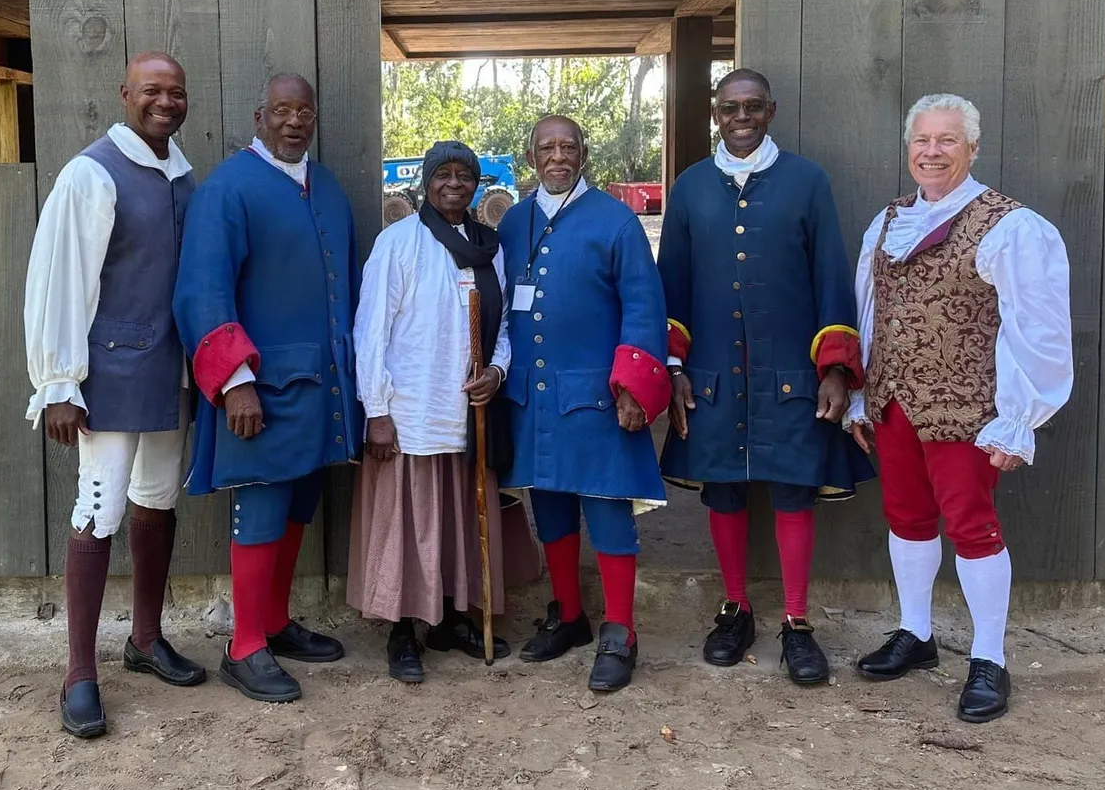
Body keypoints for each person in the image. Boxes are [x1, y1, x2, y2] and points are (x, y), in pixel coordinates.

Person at [847, 93, 1073, 723]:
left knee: (971, 526)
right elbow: (870, 311)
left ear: (973, 148)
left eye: (948, 140)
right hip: (894, 402)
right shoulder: (888, 221)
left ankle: (988, 658)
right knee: (907, 518)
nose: (933, 151)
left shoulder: (1009, 225)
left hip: (968, 407)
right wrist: (866, 389)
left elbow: (1040, 327)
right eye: (923, 140)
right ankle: (916, 634)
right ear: (908, 147)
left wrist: (1020, 415)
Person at [659, 68, 872, 685]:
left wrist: (835, 368)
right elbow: (670, 283)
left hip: (791, 374)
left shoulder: (807, 182)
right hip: (713, 374)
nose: (742, 116)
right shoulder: (692, 187)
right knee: (723, 489)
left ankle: (798, 623)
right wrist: (672, 365)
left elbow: (832, 274)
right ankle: (736, 610)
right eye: (730, 107)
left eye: (753, 106)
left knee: (792, 489)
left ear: (771, 111)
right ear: (715, 114)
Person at [24, 51, 205, 740]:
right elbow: (60, 279)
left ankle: (146, 640)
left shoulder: (183, 176)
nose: (166, 102)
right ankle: (79, 673)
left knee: (157, 501)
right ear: (126, 94)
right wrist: (59, 382)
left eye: (176, 92)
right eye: (152, 90)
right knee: (97, 510)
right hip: (105, 380)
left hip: (170, 374)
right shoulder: (91, 174)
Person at [173, 74, 361, 704]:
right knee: (258, 508)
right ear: (260, 116)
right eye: (281, 110)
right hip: (261, 391)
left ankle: (276, 623)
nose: (293, 121)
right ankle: (244, 644)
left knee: (297, 503)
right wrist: (235, 384)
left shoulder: (327, 186)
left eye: (304, 111)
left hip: (320, 387)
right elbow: (203, 290)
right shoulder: (228, 187)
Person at [351, 140, 540, 682]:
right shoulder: (399, 242)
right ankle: (402, 631)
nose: (455, 183)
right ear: (426, 183)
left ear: (478, 185)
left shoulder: (490, 246)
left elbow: (503, 326)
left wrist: (496, 373)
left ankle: (449, 619)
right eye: (444, 174)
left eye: (466, 175)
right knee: (411, 525)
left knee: (459, 518)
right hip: (411, 409)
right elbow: (371, 331)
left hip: (469, 409)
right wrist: (377, 409)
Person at [497, 115, 670, 692]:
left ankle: (621, 629)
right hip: (533, 398)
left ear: (584, 154)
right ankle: (568, 614)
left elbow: (644, 308)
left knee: (608, 511)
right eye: (546, 147)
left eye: (568, 147)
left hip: (599, 397)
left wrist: (632, 387)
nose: (557, 157)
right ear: (530, 155)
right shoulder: (514, 221)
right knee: (549, 506)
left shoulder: (615, 221)